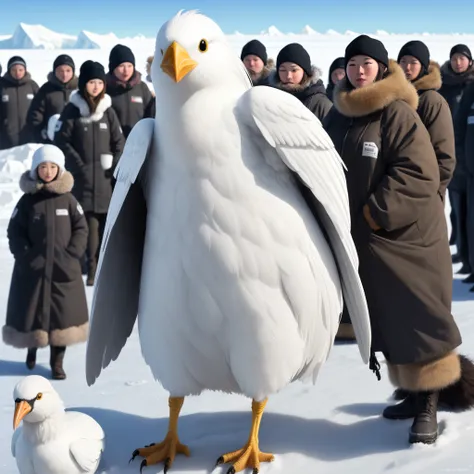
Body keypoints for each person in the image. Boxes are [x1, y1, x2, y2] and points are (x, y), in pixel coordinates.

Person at [323, 34, 470, 444]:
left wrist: (375, 213)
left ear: (380, 67)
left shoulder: (398, 114)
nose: (358, 71)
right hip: (364, 242)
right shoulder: (338, 116)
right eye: (352, 65)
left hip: (405, 239)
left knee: (419, 320)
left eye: (366, 64)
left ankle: (429, 404)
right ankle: (411, 393)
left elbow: (419, 171)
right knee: (387, 322)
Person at [2, 145, 89, 380]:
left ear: (59, 169)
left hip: (63, 270)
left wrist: (72, 254)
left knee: (62, 319)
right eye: (43, 167)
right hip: (33, 270)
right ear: (35, 170)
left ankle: (57, 363)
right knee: (33, 315)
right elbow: (14, 231)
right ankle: (32, 350)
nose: (48, 171)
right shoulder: (28, 201)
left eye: (52, 167)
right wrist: (25, 256)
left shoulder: (69, 200)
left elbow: (81, 228)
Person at [54, 60, 124, 286]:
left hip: (104, 182)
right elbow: (61, 141)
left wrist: (114, 165)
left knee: (105, 226)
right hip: (81, 181)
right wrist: (78, 165)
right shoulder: (73, 111)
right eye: (91, 82)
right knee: (87, 226)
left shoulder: (108, 111)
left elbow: (119, 142)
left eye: (99, 82)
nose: (96, 87)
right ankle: (89, 268)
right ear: (84, 84)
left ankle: (103, 267)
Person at [397, 41, 455, 202]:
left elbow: (444, 157)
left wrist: (433, 194)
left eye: (413, 62)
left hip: (425, 196)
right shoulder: (395, 98)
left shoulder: (431, 101)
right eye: (403, 61)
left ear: (422, 66)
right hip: (398, 191)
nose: (407, 67)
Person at [439, 45, 474, 257]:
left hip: (468, 152)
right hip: (451, 152)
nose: (458, 62)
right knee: (456, 207)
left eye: (462, 58)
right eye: (455, 58)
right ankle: (461, 248)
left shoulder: (472, 85)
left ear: (470, 61)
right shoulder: (444, 86)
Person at [269, 43, 332, 122]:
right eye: (283, 70)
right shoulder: (271, 98)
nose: (288, 76)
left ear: (305, 72)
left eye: (294, 70)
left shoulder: (320, 103)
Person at [106, 44, 155, 138]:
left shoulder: (142, 87)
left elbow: (150, 116)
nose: (126, 70)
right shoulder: (104, 88)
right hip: (113, 145)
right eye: (121, 66)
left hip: (139, 143)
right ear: (113, 67)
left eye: (129, 65)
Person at [27, 54, 78, 144]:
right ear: (54, 71)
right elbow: (35, 115)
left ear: (73, 71)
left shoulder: (80, 89)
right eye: (60, 71)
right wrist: (40, 134)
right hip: (51, 141)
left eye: (68, 70)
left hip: (76, 141)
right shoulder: (46, 90)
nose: (64, 74)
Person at [0, 56, 39, 149]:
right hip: (6, 138)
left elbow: (40, 108)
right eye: (14, 70)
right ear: (9, 71)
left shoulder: (32, 85)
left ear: (25, 70)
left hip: (29, 138)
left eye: (20, 70)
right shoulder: (2, 86)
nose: (17, 73)